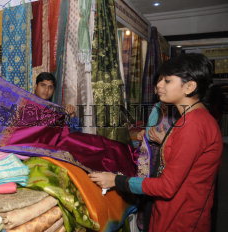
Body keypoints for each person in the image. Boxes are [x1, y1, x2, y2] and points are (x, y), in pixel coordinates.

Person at [89, 53, 223, 232]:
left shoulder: (194, 125)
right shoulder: (191, 117)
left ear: (189, 86)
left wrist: (116, 180)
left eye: (167, 81)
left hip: (180, 215)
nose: (159, 85)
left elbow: (167, 187)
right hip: (176, 208)